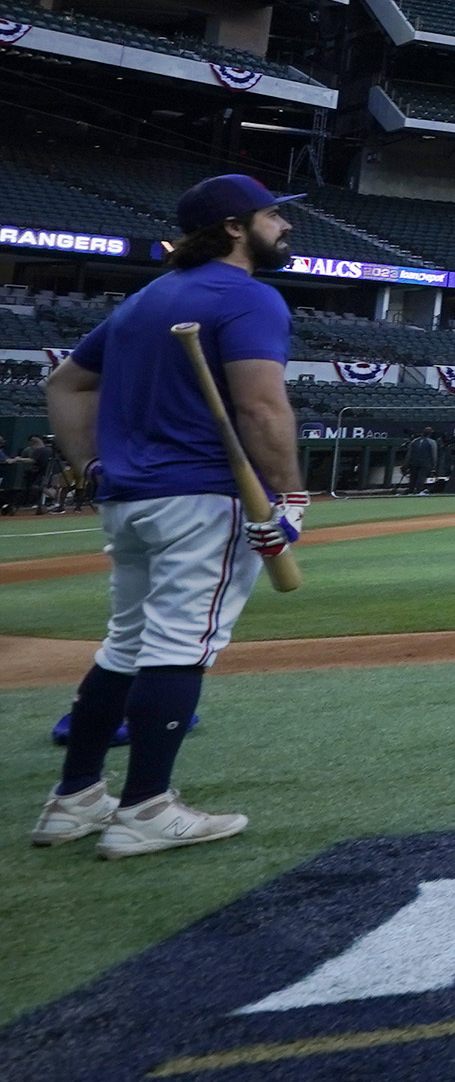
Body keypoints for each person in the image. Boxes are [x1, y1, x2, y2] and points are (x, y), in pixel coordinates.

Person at [29, 174, 306, 859]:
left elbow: (62, 382)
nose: (286, 226)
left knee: (125, 645)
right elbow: (263, 407)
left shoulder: (147, 298)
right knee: (180, 643)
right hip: (206, 494)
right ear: (237, 226)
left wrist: (89, 467)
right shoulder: (249, 296)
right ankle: (147, 807)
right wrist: (290, 495)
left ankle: (74, 799)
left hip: (131, 497)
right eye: (274, 215)